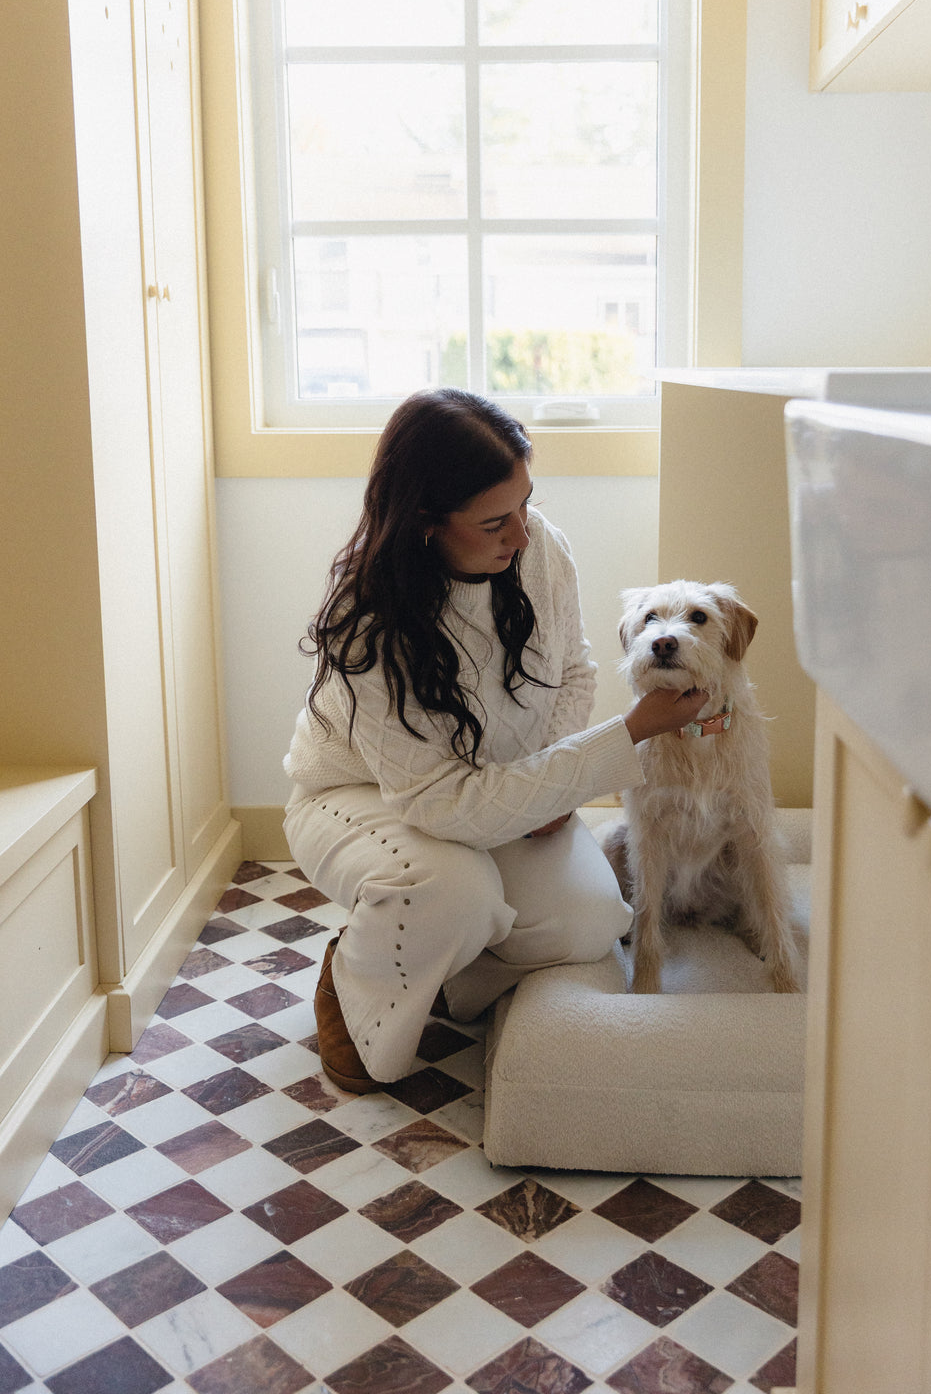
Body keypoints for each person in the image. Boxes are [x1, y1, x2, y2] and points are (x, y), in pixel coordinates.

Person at [283, 388, 709, 1092]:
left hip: (495, 784)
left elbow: (574, 670)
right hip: (361, 795)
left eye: (524, 504)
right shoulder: (372, 624)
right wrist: (628, 734)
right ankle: (354, 975)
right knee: (456, 890)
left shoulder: (540, 547)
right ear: (426, 523)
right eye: (493, 523)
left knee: (592, 921)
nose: (521, 534)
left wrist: (552, 787)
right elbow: (442, 806)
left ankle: (437, 962)